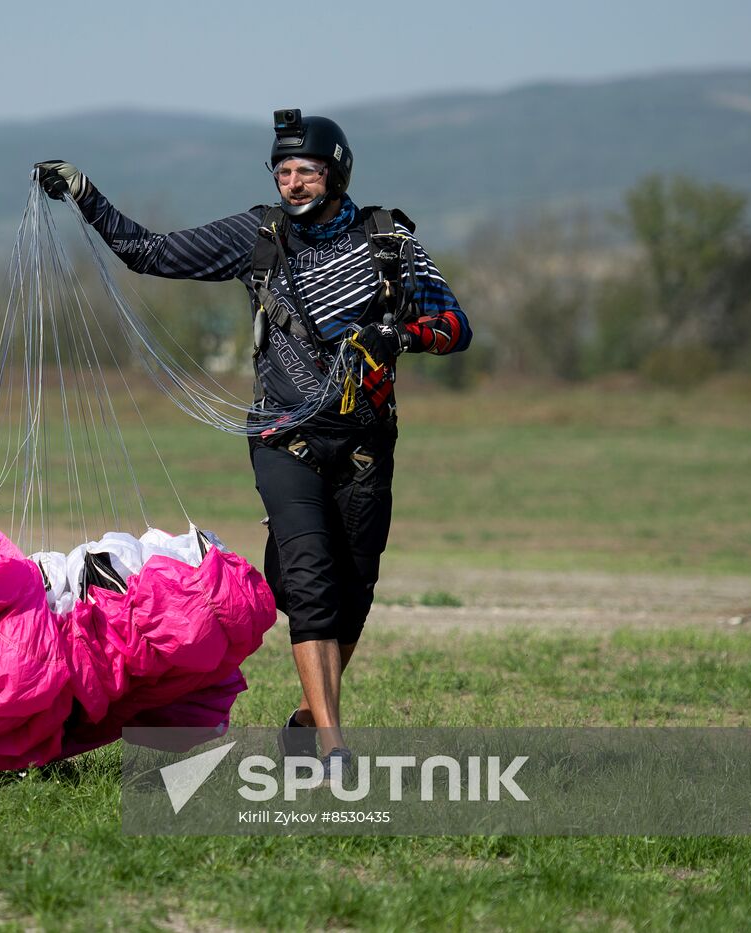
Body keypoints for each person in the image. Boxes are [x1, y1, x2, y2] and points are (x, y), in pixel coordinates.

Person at [34, 111, 472, 784]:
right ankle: (334, 750)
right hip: (283, 437)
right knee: (312, 582)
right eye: (283, 171)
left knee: (354, 592)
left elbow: (456, 324)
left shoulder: (389, 242)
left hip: (364, 443)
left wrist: (402, 335)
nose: (293, 183)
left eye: (307, 171)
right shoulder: (258, 236)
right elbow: (150, 253)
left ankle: (308, 721)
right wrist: (86, 195)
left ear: (336, 174)